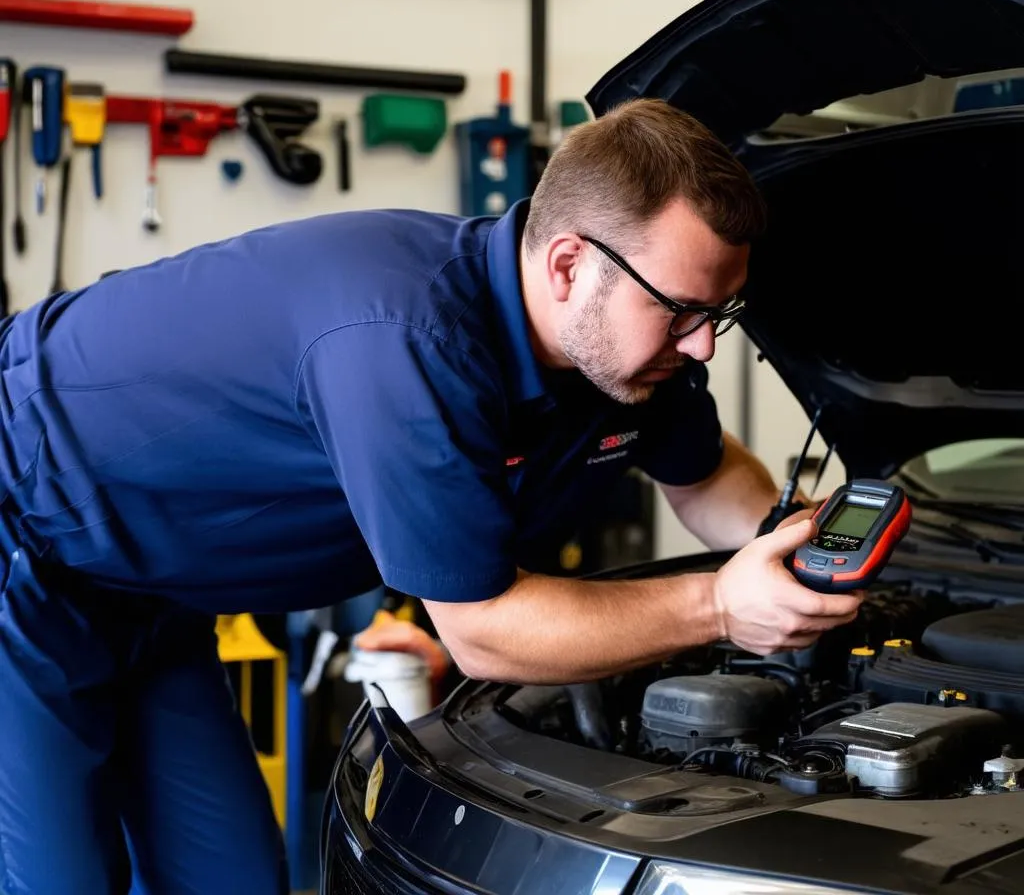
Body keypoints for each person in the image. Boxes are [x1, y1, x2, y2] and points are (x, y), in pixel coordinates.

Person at [0, 97, 862, 894]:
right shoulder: (405, 338)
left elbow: (706, 477)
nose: (704, 343)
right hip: (24, 541)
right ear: (568, 266)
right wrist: (719, 604)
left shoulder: (634, 348)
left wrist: (798, 557)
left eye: (722, 310)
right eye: (682, 312)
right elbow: (483, 630)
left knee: (232, 878)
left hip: (153, 589)